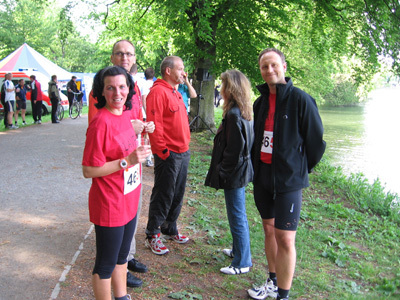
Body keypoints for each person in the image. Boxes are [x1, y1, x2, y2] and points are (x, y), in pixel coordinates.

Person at [247, 48, 326, 300]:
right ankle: (271, 282)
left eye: (274, 65)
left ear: (284, 66)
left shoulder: (301, 100)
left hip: (288, 181)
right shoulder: (259, 103)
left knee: (286, 238)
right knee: (269, 230)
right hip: (263, 178)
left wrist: (299, 168)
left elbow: (315, 142)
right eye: (264, 67)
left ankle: (283, 295)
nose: (269, 70)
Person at [87, 39, 153, 289]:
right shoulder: (101, 120)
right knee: (107, 261)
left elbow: (127, 140)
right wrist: (128, 161)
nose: (118, 93)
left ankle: (122, 292)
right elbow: (90, 168)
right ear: (102, 91)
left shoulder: (126, 112)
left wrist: (140, 141)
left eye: (122, 88)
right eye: (111, 88)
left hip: (129, 192)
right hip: (110, 197)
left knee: (122, 254)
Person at [204, 69, 254, 275]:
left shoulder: (234, 114)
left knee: (237, 215)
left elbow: (234, 150)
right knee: (236, 213)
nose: (220, 89)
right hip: (240, 171)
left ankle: (242, 262)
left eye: (223, 85)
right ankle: (237, 250)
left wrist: (222, 171)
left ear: (230, 88)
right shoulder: (242, 110)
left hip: (235, 172)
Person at [145, 55, 191, 255]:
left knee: (177, 193)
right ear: (168, 71)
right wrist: (162, 151)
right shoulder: (158, 93)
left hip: (182, 152)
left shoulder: (176, 92)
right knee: (164, 193)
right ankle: (153, 233)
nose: (184, 73)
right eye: (180, 69)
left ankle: (169, 227)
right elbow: (155, 125)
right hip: (169, 153)